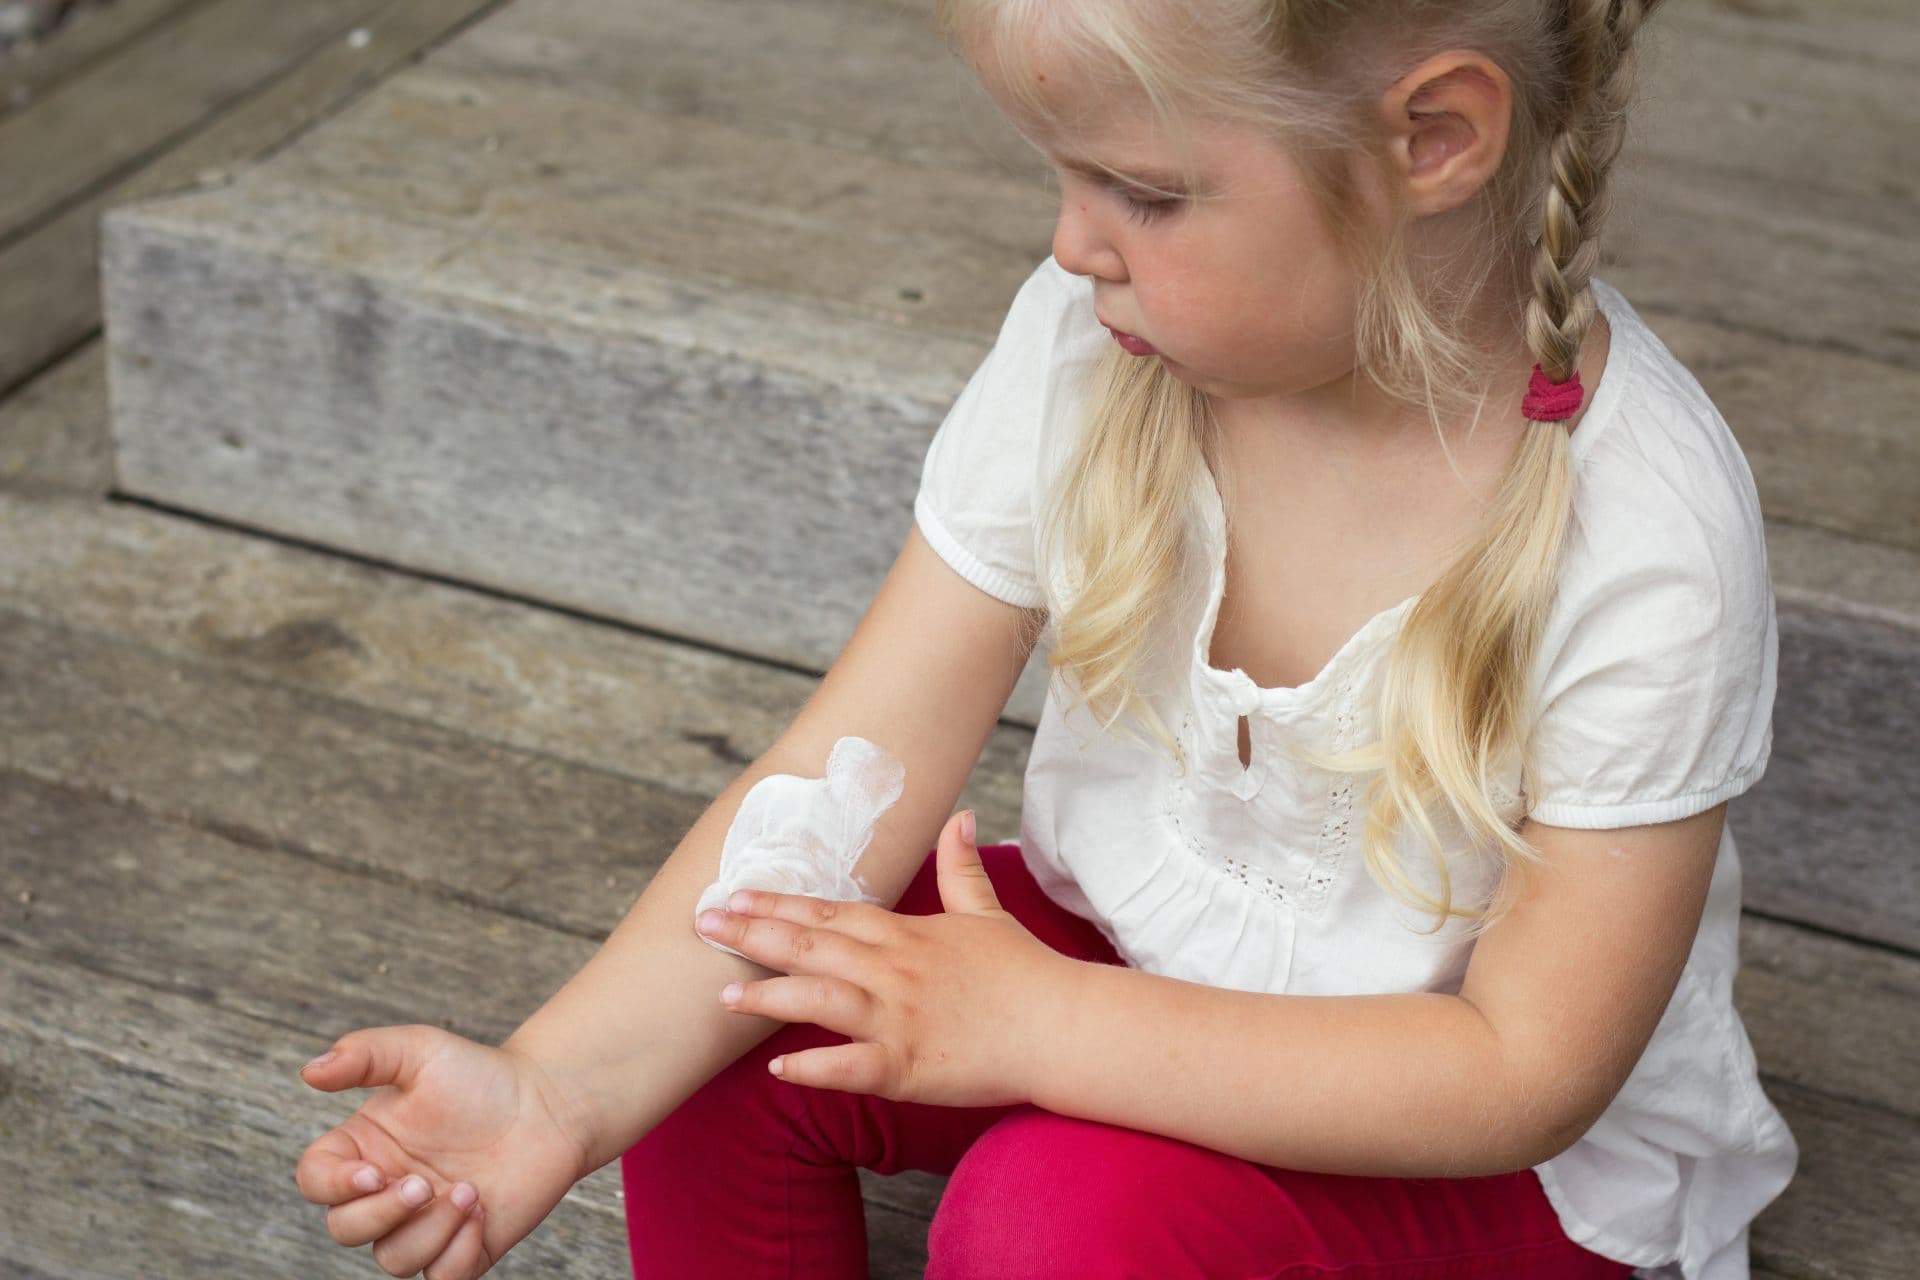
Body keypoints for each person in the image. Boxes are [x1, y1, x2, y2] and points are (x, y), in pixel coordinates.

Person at [292, 1, 1800, 1276]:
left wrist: (1048, 1027)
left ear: (1433, 141)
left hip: (1477, 1160)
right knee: (754, 993)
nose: (1074, 242)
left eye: (1141, 191)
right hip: (1126, 965)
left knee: (1056, 1219)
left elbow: (1519, 1075)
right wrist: (557, 1086)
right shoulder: (1095, 347)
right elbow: (847, 759)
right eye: (1063, 178)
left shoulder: (1640, 530)